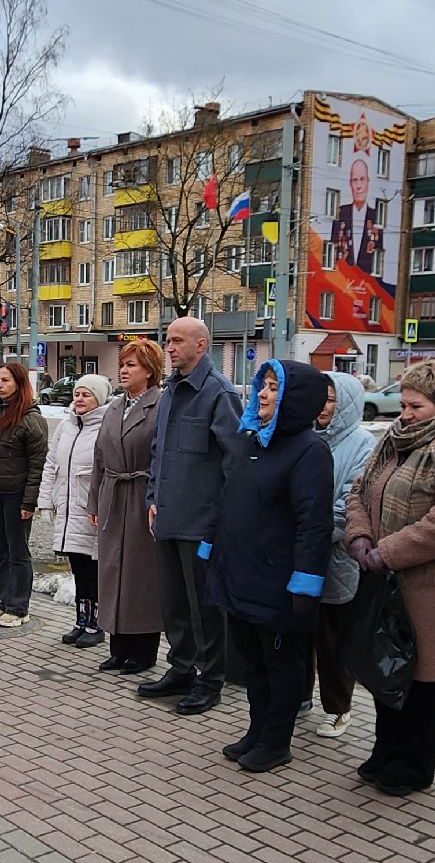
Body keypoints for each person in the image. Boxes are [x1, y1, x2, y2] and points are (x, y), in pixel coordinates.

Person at [343, 362, 435, 794]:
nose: (405, 414)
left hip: (433, 586)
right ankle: (386, 751)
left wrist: (388, 551)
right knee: (388, 668)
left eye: (416, 406)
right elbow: (359, 491)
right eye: (404, 404)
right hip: (385, 580)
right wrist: (360, 537)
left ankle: (413, 766)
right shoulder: (394, 440)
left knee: (426, 678)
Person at [202, 361, 333, 773]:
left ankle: (277, 741)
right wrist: (211, 546)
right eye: (264, 385)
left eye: (274, 387)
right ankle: (257, 730)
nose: (261, 393)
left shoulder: (310, 450)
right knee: (253, 662)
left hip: (278, 583)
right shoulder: (254, 440)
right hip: (241, 573)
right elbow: (227, 498)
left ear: (295, 398)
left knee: (281, 665)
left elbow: (314, 525)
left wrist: (305, 585)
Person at [143, 315, 241, 714]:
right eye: (168, 340)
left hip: (201, 524)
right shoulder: (170, 391)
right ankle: (181, 668)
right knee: (174, 603)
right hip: (167, 518)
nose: (169, 348)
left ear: (201, 345)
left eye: (177, 341)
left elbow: (235, 464)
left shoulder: (219, 393)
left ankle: (210, 679)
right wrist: (152, 498)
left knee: (205, 608)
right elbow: (158, 453)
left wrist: (220, 522)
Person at [87, 340, 164, 674]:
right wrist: (94, 501)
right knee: (112, 572)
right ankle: (117, 648)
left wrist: (157, 500)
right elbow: (99, 459)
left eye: (131, 364)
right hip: (113, 498)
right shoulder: (115, 407)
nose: (123, 370)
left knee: (140, 576)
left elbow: (162, 458)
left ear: (149, 370)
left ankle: (143, 651)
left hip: (141, 499)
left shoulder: (160, 405)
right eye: (122, 364)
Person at [308, 371, 377, 739]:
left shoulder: (363, 444)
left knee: (332, 640)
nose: (323, 406)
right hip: (300, 554)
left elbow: (350, 503)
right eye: (321, 397)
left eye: (332, 399)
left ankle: (338, 708)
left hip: (334, 557)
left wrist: (311, 535)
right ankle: (299, 697)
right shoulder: (307, 436)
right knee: (299, 634)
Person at [0, 361, 50, 627]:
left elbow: (37, 464)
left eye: (5, 380)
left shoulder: (30, 418)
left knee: (18, 552)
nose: (0, 385)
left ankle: (19, 607)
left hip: (16, 494)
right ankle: (5, 600)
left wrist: (29, 501)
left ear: (19, 383)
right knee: (1, 550)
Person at [40, 374, 110, 646]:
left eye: (86, 395)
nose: (79, 399)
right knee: (78, 568)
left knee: (94, 569)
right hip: (68, 509)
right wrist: (46, 501)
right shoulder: (66, 426)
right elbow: (51, 464)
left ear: (99, 399)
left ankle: (97, 625)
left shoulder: (105, 426)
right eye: (77, 394)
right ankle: (81, 620)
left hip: (91, 510)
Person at [327, 159, 382, 273]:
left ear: (368, 182)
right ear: (350, 184)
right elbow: (335, 248)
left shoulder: (377, 217)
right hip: (341, 278)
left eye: (362, 179)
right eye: (355, 180)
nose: (358, 186)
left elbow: (378, 250)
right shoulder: (340, 214)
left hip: (368, 281)